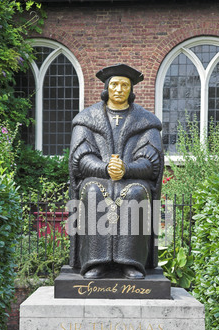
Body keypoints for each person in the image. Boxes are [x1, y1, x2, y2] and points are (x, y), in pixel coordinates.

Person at [69, 63, 164, 279]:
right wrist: (105, 168)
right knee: (92, 190)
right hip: (97, 177)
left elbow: (152, 162)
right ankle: (96, 262)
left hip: (132, 178)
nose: (119, 89)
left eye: (124, 85)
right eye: (114, 85)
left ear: (131, 90)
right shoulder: (87, 119)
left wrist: (126, 169)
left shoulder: (146, 122)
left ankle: (131, 263)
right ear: (106, 88)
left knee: (135, 193)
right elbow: (80, 157)